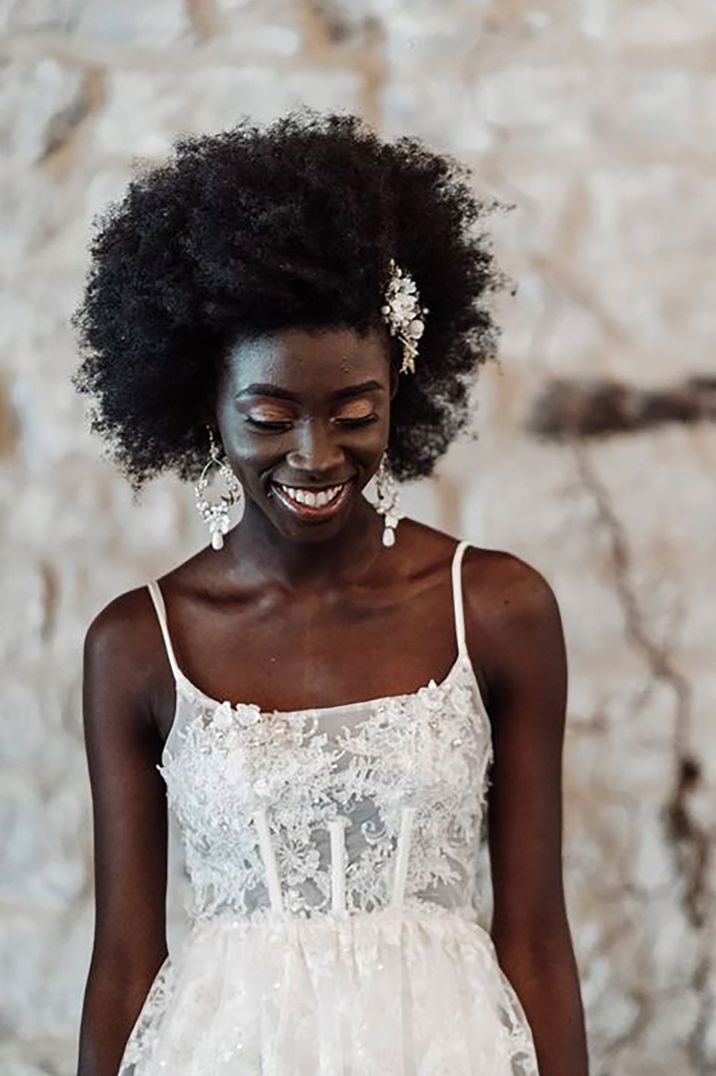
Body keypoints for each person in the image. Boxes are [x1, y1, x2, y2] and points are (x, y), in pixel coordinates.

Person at [73, 109, 588, 1075]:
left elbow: (536, 939)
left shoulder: (499, 609)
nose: (316, 455)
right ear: (203, 406)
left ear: (405, 390)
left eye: (356, 412)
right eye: (270, 416)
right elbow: (125, 961)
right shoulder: (138, 645)